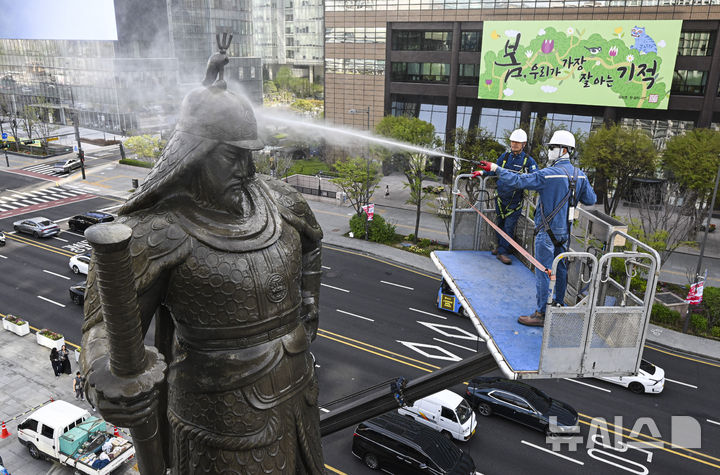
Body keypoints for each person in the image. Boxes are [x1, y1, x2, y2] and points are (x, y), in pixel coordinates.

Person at [81, 49, 324, 473]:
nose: (247, 170)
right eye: (232, 156)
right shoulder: (155, 232)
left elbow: (312, 242)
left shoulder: (281, 200)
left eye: (249, 155)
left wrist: (308, 298)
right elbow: (102, 326)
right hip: (218, 421)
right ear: (195, 155)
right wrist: (104, 374)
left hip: (299, 398)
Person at [475, 130, 596, 327]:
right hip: (564, 232)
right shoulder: (579, 175)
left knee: (543, 272)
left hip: (546, 232)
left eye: (552, 148)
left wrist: (496, 168)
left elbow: (519, 181)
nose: (549, 151)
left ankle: (541, 313)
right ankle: (558, 304)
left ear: (564, 150)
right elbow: (591, 199)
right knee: (561, 268)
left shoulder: (547, 174)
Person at [476, 128, 537, 265]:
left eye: (517, 142)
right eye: (512, 142)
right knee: (500, 225)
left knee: (509, 227)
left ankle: (503, 252)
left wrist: (526, 176)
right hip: (500, 199)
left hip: (514, 202)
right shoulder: (504, 157)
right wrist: (481, 172)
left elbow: (535, 178)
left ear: (524, 144)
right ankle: (500, 248)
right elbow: (494, 171)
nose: (514, 144)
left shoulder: (528, 161)